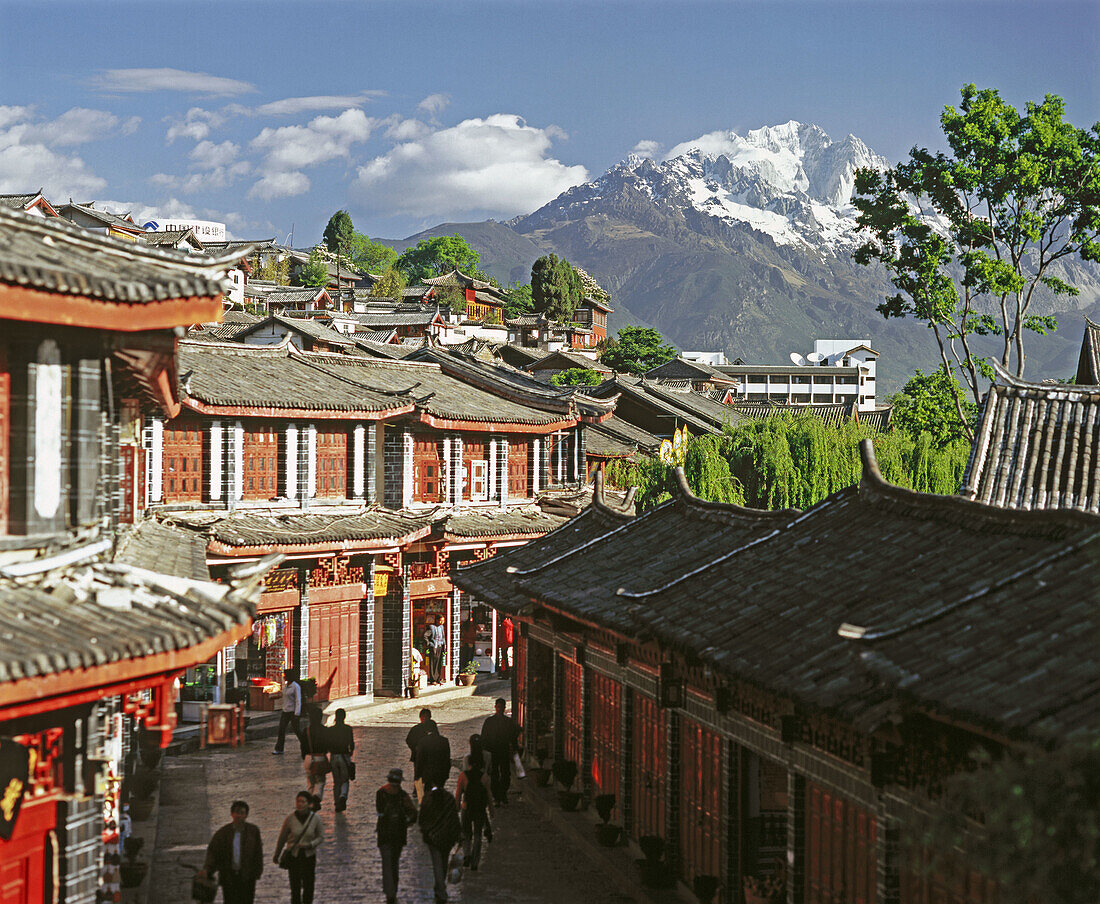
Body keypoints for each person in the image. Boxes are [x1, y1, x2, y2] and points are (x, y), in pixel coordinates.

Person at [200, 800, 263, 904]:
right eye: (237, 812)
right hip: (229, 878)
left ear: (246, 815)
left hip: (247, 878)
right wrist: (207, 869)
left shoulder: (253, 831)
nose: (239, 815)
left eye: (242, 813)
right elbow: (213, 853)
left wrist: (257, 872)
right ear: (232, 814)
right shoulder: (223, 833)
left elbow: (258, 853)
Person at [375, 767, 418, 904]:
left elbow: (380, 811)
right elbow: (413, 813)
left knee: (387, 863)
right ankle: (393, 890)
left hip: (384, 833)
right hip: (399, 834)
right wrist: (405, 822)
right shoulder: (403, 795)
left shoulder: (380, 793)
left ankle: (390, 893)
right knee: (394, 863)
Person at [273, 791, 323, 904]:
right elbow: (282, 838)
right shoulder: (290, 819)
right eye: (298, 801)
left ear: (309, 804)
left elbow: (320, 837)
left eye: (303, 801)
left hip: (309, 856)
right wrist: (277, 854)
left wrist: (310, 844)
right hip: (294, 856)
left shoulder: (316, 819)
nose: (300, 804)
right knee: (295, 887)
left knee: (308, 886)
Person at [418, 785, 462, 904]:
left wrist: (426, 832)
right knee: (442, 863)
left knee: (438, 864)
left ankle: (440, 890)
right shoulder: (449, 798)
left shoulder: (427, 799)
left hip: (433, 838)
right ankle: (440, 888)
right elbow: (454, 818)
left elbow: (422, 819)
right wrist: (457, 833)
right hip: (447, 837)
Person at [455, 754, 493, 870]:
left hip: (466, 808)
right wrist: (491, 810)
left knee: (466, 833)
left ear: (469, 763)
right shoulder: (485, 777)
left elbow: (458, 794)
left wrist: (457, 807)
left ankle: (467, 854)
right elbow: (489, 796)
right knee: (477, 835)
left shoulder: (463, 776)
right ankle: (475, 862)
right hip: (479, 809)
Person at [480, 698, 519, 806]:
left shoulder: (508, 722)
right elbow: (484, 737)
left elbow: (513, 738)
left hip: (504, 751)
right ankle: (496, 796)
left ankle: (503, 794)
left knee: (506, 774)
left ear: (504, 708)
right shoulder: (489, 722)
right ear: (495, 707)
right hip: (493, 752)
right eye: (498, 707)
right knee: (494, 774)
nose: (500, 709)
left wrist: (514, 750)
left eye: (502, 707)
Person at [299, 706, 329, 808]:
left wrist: (305, 757)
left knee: (310, 782)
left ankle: (309, 802)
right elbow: (327, 746)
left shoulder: (306, 731)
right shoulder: (325, 730)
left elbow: (302, 746)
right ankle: (316, 797)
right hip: (320, 757)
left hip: (308, 758)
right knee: (320, 781)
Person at [415, 723, 452, 802]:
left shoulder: (423, 741)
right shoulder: (444, 741)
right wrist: (446, 775)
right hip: (441, 775)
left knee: (427, 797)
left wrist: (417, 777)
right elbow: (447, 759)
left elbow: (420, 761)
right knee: (439, 797)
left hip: (428, 776)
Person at [327, 708, 354, 813]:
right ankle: (343, 796)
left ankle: (337, 803)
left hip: (334, 757)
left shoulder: (330, 730)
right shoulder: (348, 729)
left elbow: (328, 744)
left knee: (336, 782)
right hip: (344, 756)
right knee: (345, 780)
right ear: (344, 717)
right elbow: (351, 744)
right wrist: (350, 752)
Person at [273, 668, 301, 754]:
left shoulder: (295, 686)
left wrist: (297, 713)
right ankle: (279, 748)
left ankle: (305, 745)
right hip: (285, 711)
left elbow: (298, 700)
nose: (284, 677)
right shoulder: (286, 686)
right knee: (281, 729)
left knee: (297, 730)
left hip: (292, 712)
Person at [427, 614, 446, 685]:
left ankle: (438, 678)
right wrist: (430, 644)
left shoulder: (441, 627)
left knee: (439, 662)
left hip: (440, 646)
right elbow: (425, 636)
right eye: (441, 620)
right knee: (433, 663)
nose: (442, 622)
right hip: (434, 646)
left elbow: (443, 637)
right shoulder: (431, 627)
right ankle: (432, 679)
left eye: (443, 620)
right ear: (437, 620)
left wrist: (444, 646)